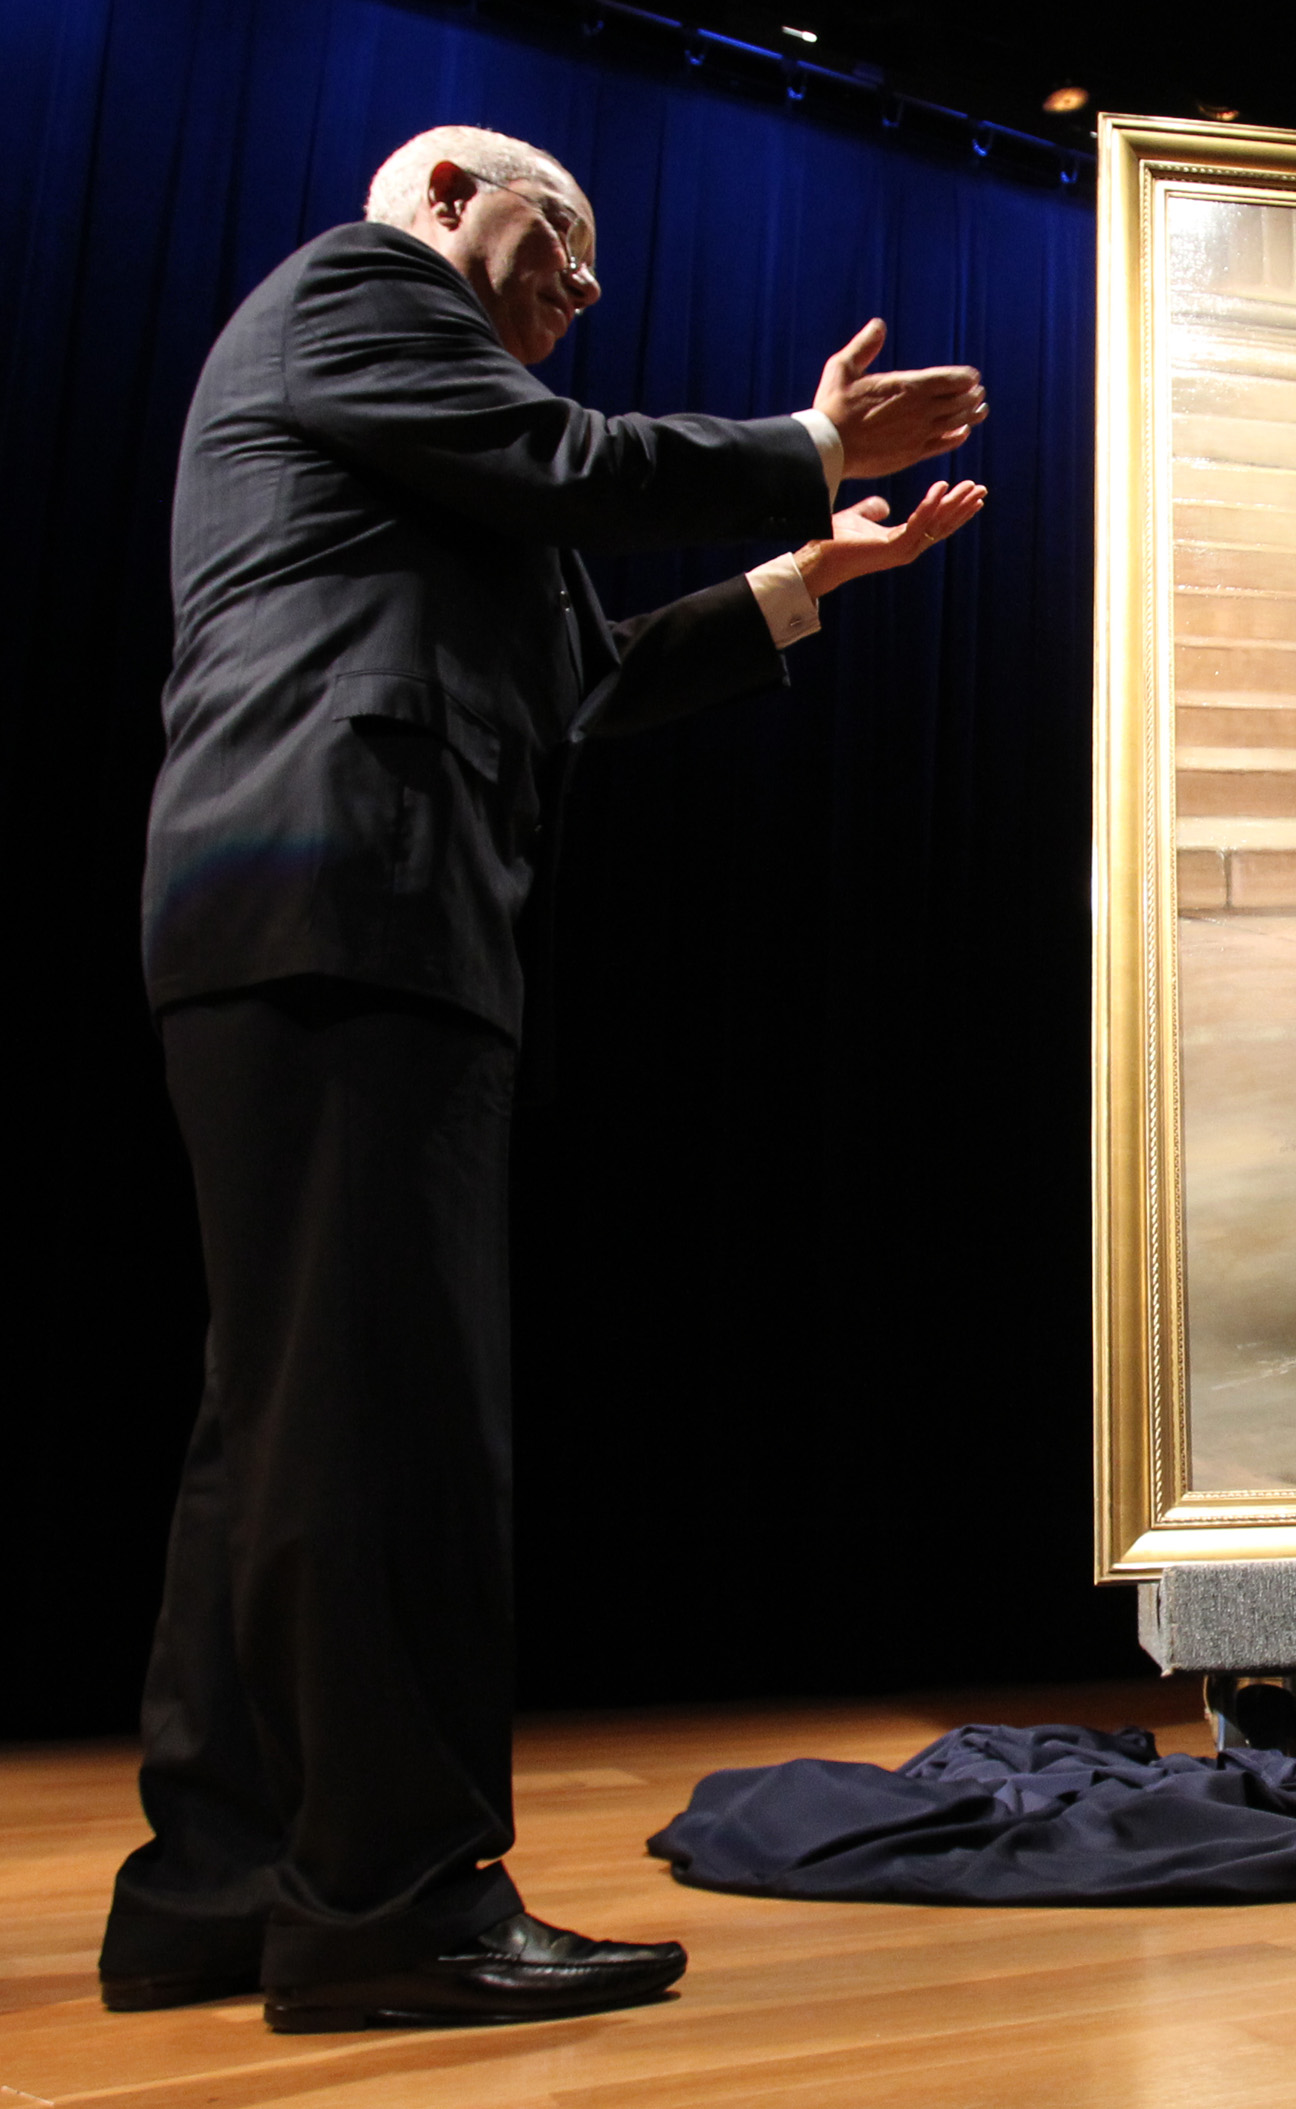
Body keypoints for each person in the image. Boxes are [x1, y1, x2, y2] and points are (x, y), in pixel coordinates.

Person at [103, 125, 993, 2033]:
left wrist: (802, 572)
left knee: (282, 1422)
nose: (584, 284)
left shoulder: (433, 437)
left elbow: (580, 674)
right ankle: (394, 1897)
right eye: (558, 235)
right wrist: (811, 443)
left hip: (309, 903)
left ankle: (215, 1881)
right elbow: (577, 467)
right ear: (445, 197)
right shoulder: (359, 293)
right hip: (346, 890)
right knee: (386, 1420)